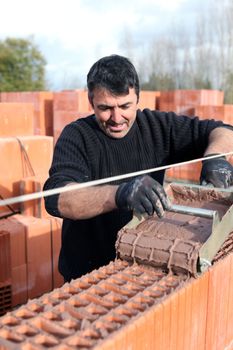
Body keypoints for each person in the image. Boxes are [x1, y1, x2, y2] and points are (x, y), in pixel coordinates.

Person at [43, 54, 233, 282]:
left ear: (138, 99)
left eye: (125, 106)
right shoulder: (77, 136)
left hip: (143, 265)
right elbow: (58, 199)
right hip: (86, 275)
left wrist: (217, 159)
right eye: (105, 108)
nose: (116, 118)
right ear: (91, 102)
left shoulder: (157, 127)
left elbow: (223, 131)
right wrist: (121, 193)